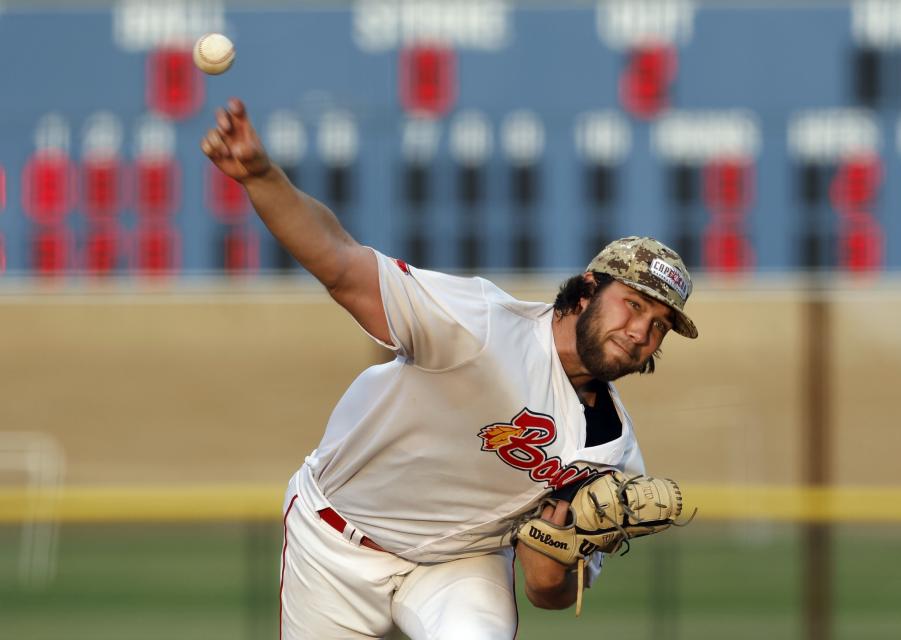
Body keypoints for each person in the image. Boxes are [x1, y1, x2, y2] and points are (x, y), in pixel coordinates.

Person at [201, 98, 699, 640]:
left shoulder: (611, 454)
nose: (640, 331)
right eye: (634, 304)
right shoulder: (481, 326)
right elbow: (342, 264)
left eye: (659, 325)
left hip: (463, 565)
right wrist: (261, 176)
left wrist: (554, 550)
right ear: (586, 290)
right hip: (334, 542)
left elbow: (545, 593)